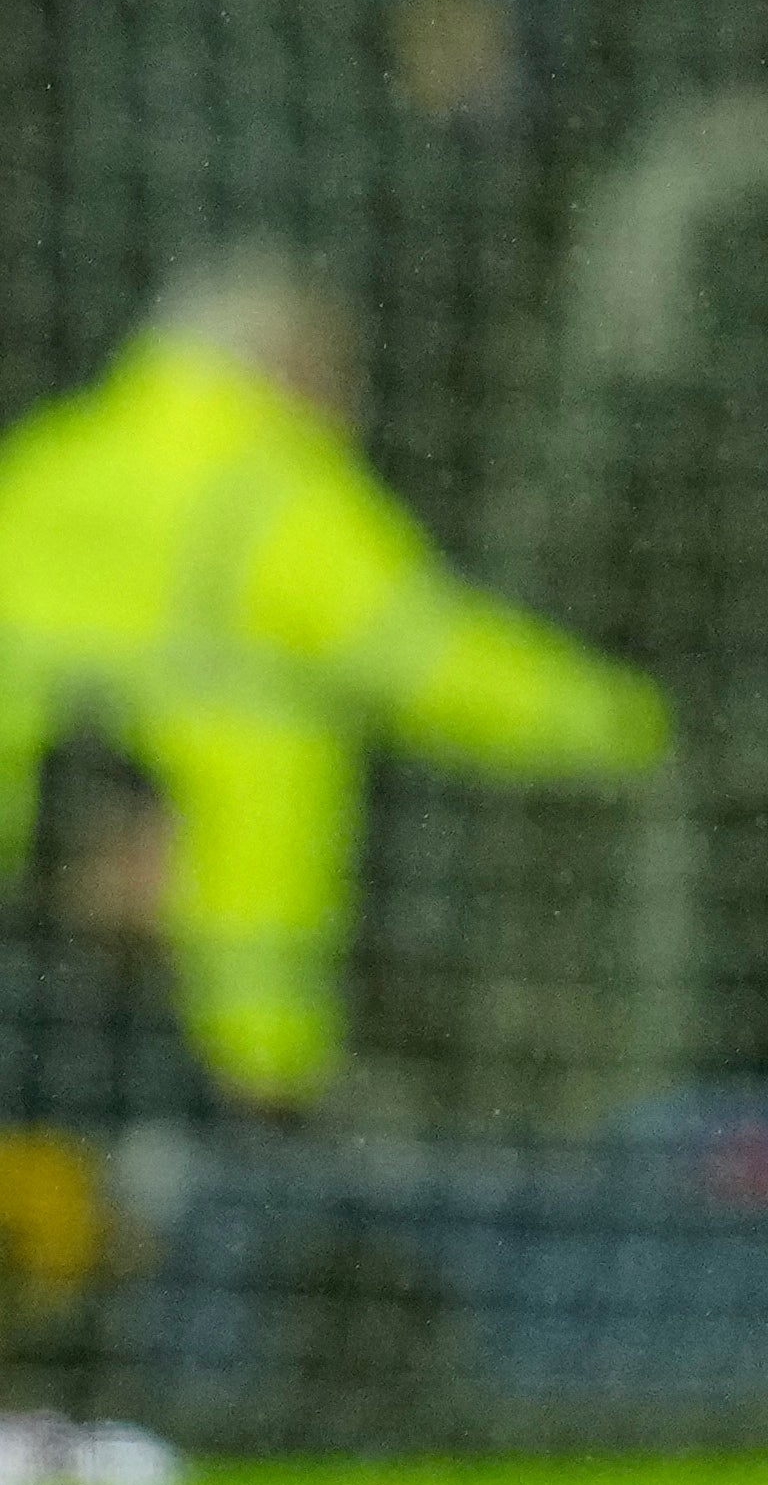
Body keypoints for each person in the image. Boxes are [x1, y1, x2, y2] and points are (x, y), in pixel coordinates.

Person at [0, 253, 669, 1113]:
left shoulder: (41, 463)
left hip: (32, 957)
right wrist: (625, 720)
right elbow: (431, 661)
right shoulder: (272, 489)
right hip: (225, 995)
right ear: (291, 365)